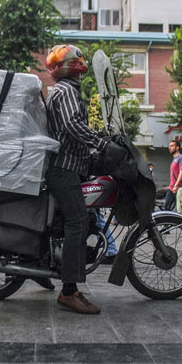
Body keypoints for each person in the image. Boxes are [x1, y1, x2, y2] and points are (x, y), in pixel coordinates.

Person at [45, 44, 110, 314]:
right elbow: (73, 125)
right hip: (64, 168)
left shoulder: (58, 90)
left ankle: (47, 268)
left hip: (63, 166)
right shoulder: (68, 91)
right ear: (75, 66)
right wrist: (101, 143)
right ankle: (69, 291)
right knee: (78, 221)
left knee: (70, 221)